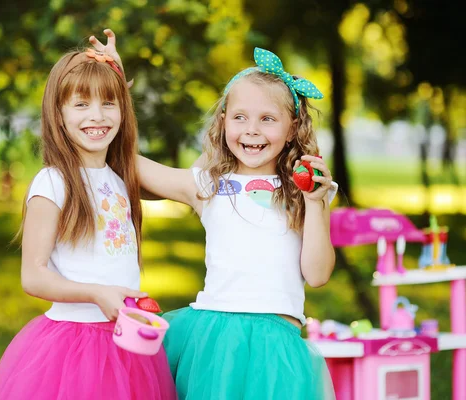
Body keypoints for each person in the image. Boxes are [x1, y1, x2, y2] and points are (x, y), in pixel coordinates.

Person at [91, 31, 337, 399]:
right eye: (240, 117)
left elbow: (317, 275)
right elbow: (127, 163)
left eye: (268, 119)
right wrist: (117, 91)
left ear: (292, 129)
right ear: (223, 123)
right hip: (212, 343)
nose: (252, 129)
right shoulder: (208, 184)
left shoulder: (303, 191)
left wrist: (316, 204)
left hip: (276, 349)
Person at [0, 47, 176, 399]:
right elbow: (33, 275)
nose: (96, 117)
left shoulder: (120, 177)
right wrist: (96, 293)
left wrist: (115, 75)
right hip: (73, 344)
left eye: (108, 104)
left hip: (125, 342)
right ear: (58, 113)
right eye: (81, 104)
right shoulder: (53, 183)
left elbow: (189, 184)